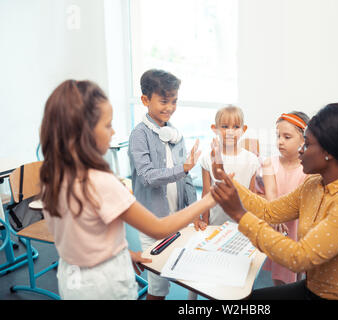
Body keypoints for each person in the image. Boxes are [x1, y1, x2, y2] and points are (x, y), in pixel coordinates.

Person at [39, 80, 215, 300]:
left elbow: (80, 237)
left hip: (72, 279)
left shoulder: (51, 175)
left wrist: (123, 254)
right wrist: (208, 201)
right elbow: (158, 229)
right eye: (107, 125)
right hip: (106, 285)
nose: (113, 132)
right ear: (83, 132)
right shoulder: (101, 182)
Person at [209, 103, 338, 300]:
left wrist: (239, 215)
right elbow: (269, 211)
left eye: (307, 144)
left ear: (329, 152)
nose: (301, 150)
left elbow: (299, 258)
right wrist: (225, 177)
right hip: (314, 289)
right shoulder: (314, 184)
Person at [128, 69, 200, 300]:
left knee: (186, 272)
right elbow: (147, 176)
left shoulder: (174, 134)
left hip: (177, 217)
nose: (170, 107)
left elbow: (187, 179)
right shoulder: (139, 135)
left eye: (174, 101)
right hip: (152, 220)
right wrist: (184, 168)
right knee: (158, 288)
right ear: (145, 100)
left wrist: (194, 211)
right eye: (164, 101)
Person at [261, 111, 309, 286]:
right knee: (280, 278)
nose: (280, 141)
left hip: (300, 226)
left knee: (299, 276)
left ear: (304, 140)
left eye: (287, 137)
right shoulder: (269, 163)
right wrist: (277, 216)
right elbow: (271, 195)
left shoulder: (308, 169)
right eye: (278, 136)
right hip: (279, 226)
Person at [194, 105, 259, 228]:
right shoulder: (207, 158)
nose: (230, 131)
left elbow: (252, 195)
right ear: (215, 129)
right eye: (224, 127)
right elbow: (206, 193)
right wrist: (205, 220)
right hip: (215, 223)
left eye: (235, 127)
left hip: (242, 225)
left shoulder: (252, 160)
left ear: (243, 129)